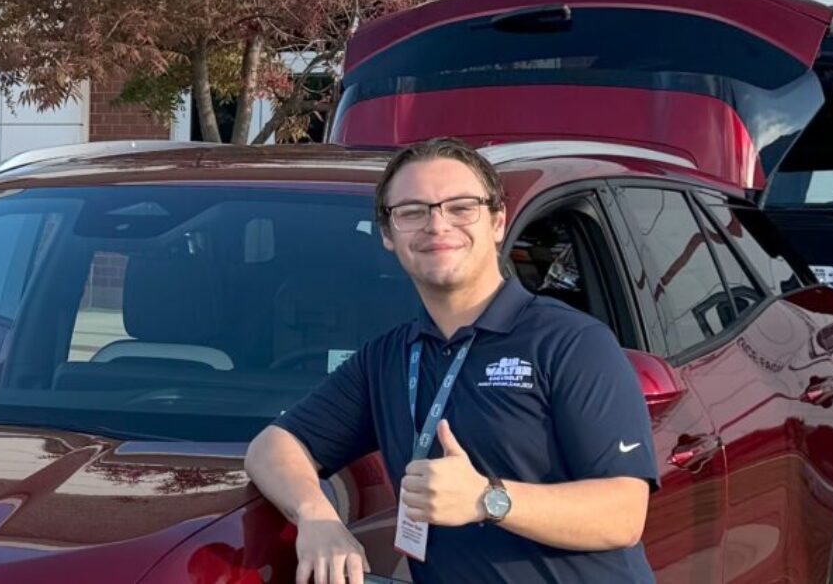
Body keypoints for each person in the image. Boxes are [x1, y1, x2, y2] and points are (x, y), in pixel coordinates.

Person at [247, 137, 656, 584]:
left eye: (461, 207)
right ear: (388, 235)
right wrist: (317, 517)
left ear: (497, 221)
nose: (437, 225)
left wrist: (487, 499)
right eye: (412, 211)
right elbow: (273, 447)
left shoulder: (571, 342)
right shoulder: (388, 358)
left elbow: (623, 513)